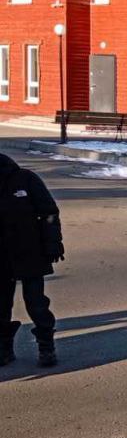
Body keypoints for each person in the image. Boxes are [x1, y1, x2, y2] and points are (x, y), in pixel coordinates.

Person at [0, 152, 64, 368]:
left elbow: (49, 213)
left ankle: (46, 346)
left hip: (30, 251)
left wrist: (53, 244)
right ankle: (4, 348)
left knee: (36, 303)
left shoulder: (26, 179)